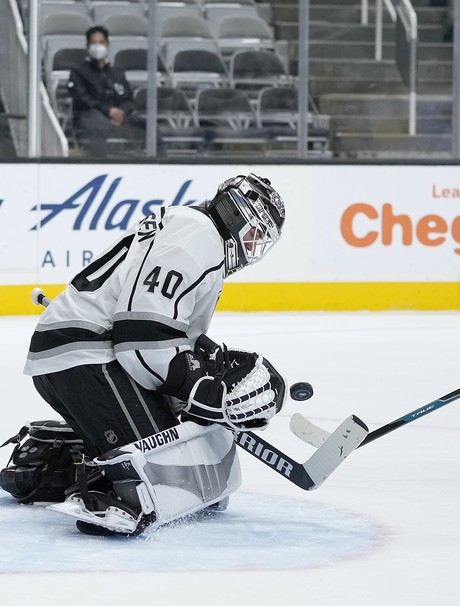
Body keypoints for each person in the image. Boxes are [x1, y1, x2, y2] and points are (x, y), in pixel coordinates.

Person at [2, 174, 287, 535]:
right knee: (162, 485)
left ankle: (58, 458)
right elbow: (139, 337)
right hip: (88, 357)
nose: (253, 245)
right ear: (235, 214)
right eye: (254, 232)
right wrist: (205, 393)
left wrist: (212, 362)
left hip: (80, 356)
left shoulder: (197, 237)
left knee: (193, 476)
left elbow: (171, 333)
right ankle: (94, 477)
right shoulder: (198, 236)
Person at [68, 25, 145, 157]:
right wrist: (108, 111)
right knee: (98, 124)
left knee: (146, 125)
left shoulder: (116, 73)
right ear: (87, 46)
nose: (98, 47)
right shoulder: (79, 72)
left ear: (108, 45)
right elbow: (83, 99)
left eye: (101, 42)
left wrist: (121, 112)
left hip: (119, 116)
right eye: (94, 43)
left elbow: (128, 99)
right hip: (90, 116)